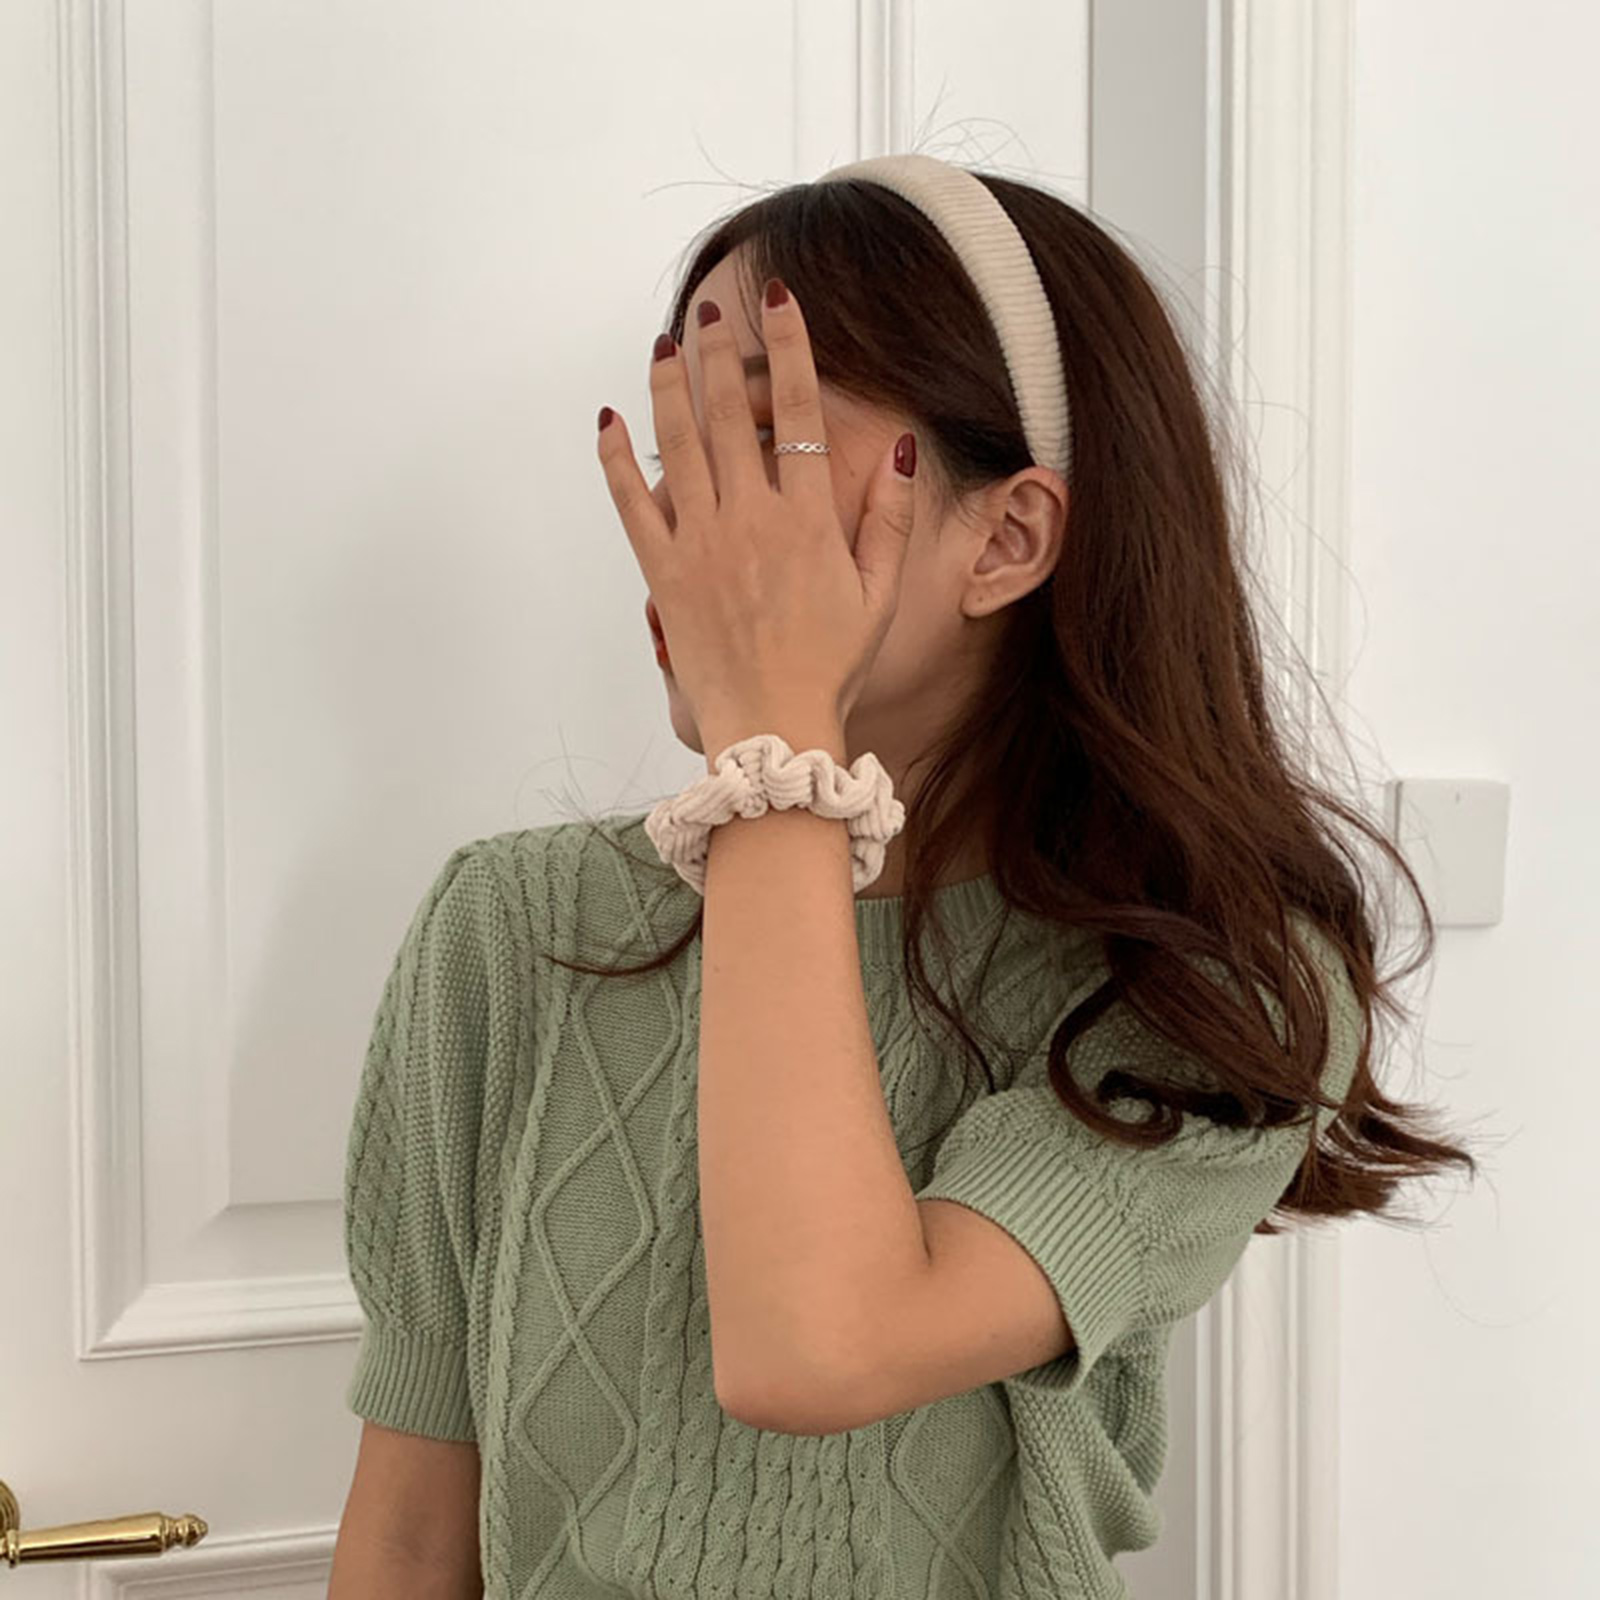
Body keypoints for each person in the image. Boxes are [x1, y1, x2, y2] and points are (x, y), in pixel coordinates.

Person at [331, 153, 1476, 1600]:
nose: (691, 537)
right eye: (688, 458)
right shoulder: (514, 929)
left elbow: (818, 1349)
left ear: (1008, 539)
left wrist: (771, 753)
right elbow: (411, 1531)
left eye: (768, 446)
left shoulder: (1218, 990)